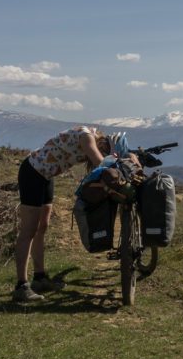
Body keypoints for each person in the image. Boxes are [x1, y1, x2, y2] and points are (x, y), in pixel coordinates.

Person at [12, 126, 125, 302]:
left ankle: (39, 277)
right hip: (33, 172)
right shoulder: (87, 137)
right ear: (103, 143)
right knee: (29, 230)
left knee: (42, 226)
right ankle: (21, 285)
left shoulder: (89, 136)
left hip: (46, 176)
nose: (102, 151)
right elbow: (100, 164)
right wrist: (115, 167)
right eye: (103, 150)